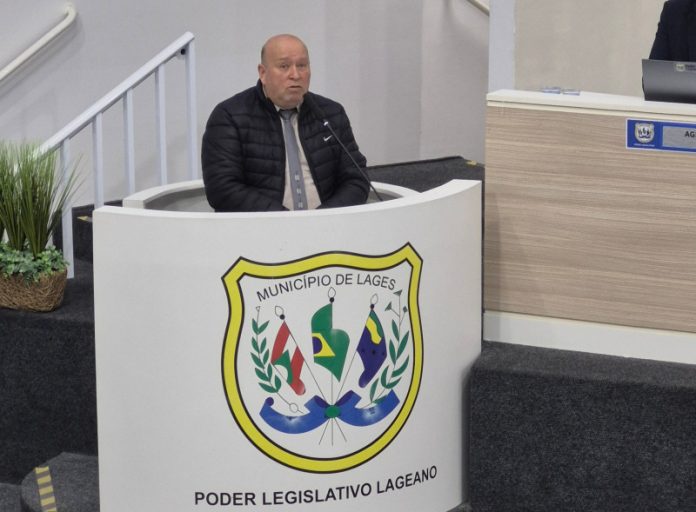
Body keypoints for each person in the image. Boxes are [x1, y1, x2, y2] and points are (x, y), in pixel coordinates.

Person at [201, 34, 369, 212]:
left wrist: (322, 218)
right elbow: (222, 188)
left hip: (327, 224)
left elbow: (356, 179)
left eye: (302, 66)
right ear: (263, 73)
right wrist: (283, 221)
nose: (295, 75)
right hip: (261, 226)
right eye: (284, 66)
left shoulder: (330, 113)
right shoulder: (229, 116)